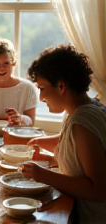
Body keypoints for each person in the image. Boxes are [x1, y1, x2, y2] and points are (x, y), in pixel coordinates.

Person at [23, 44, 106, 224]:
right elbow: (73, 145)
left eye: (42, 88)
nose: (40, 98)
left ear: (61, 85)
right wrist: (40, 142)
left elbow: (99, 190)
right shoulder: (81, 110)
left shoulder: (83, 120)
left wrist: (42, 175)